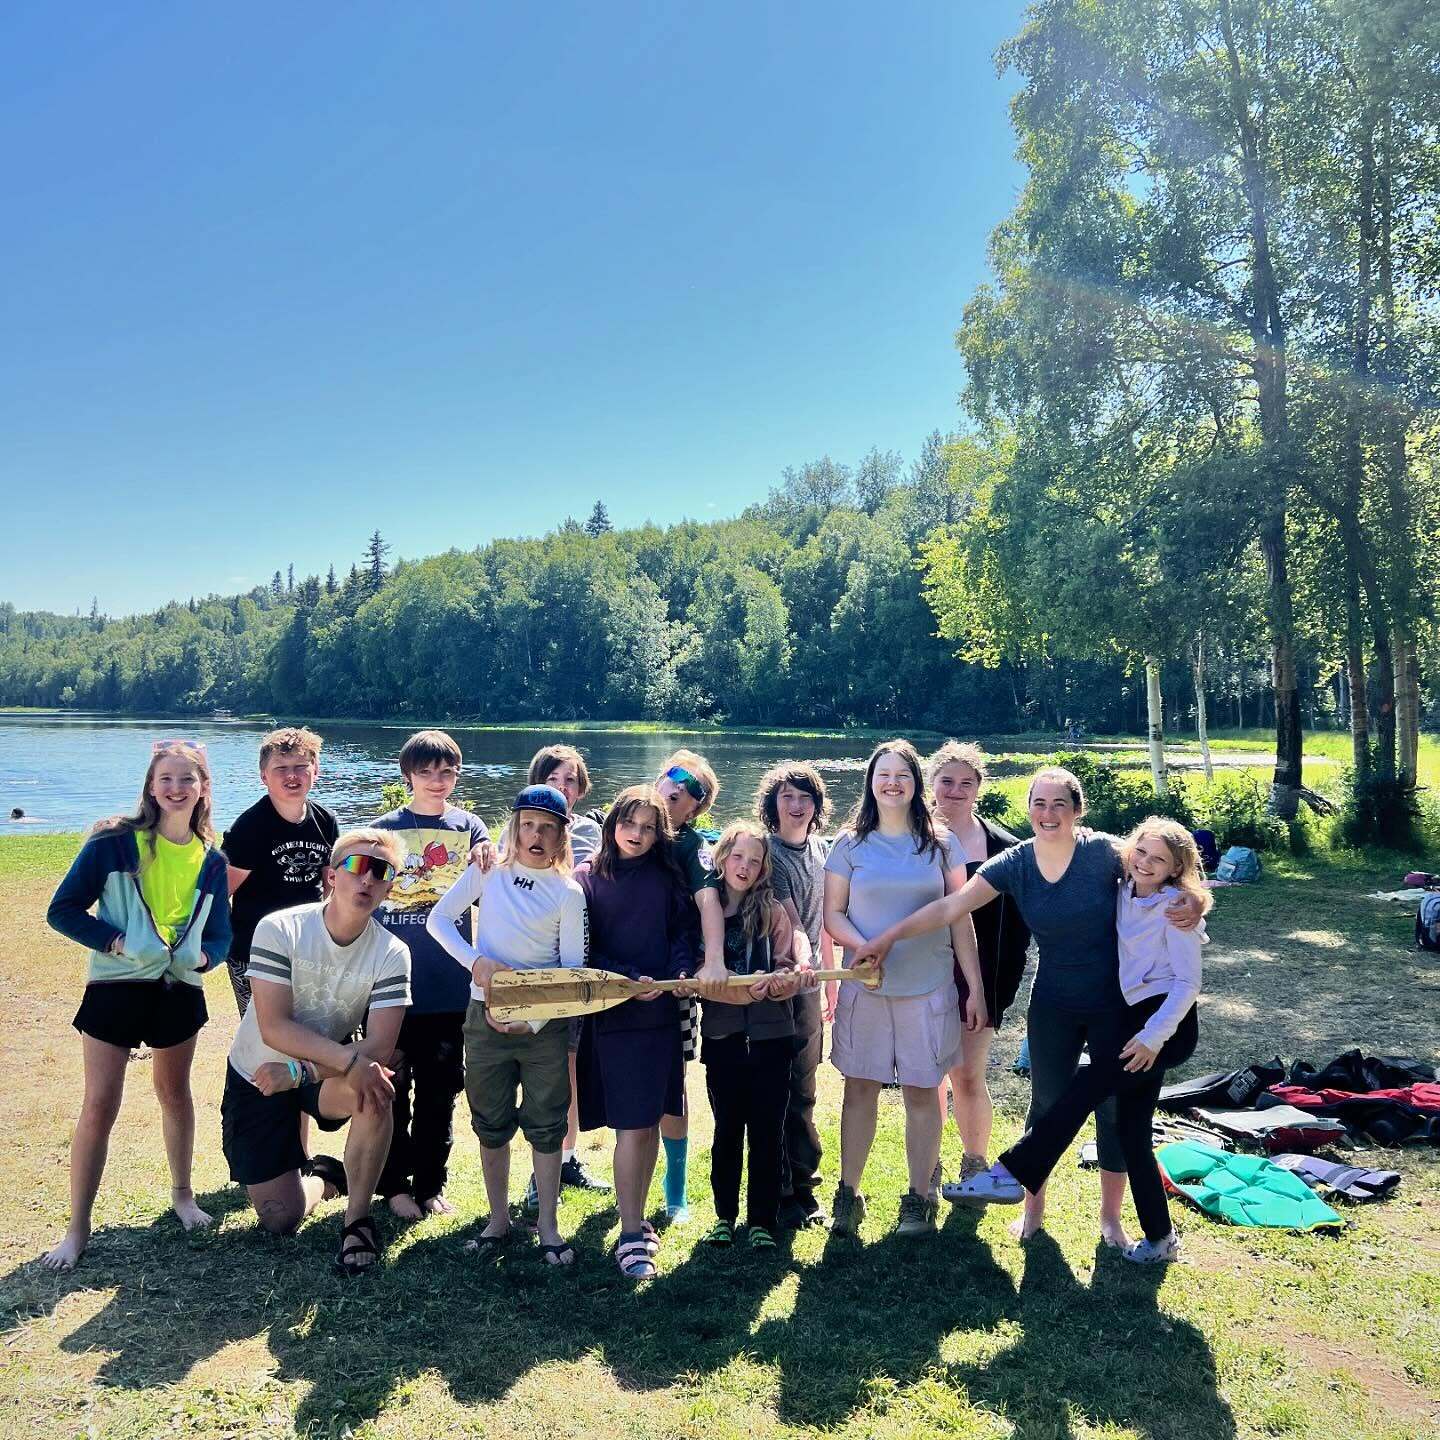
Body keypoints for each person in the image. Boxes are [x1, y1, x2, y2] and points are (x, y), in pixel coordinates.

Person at [854, 766, 1203, 1247]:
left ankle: (1111, 1220)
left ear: (1077, 811)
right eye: (1039, 803)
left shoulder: (1106, 853)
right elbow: (950, 908)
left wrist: (1195, 902)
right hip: (1054, 1003)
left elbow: (1164, 868)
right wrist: (888, 937)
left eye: (1060, 804)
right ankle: (1032, 1212)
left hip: (1114, 1006)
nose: (1048, 813)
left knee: (1113, 1110)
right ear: (1028, 808)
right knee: (1047, 1102)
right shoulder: (1016, 863)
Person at [955, 818, 1207, 1264]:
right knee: (1132, 1130)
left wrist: (1151, 1039)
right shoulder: (1123, 891)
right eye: (1142, 853)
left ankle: (1010, 1171)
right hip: (1135, 1022)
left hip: (1166, 1028)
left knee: (1086, 1086)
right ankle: (1161, 1238)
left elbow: (1188, 984)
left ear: (1174, 870)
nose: (1146, 863)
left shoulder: (1175, 909)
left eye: (1159, 860)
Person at [42, 741, 231, 1270]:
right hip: (115, 988)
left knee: (175, 1094)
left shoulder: (212, 860)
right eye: (166, 779)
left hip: (177, 991)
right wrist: (117, 943)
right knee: (100, 1104)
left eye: (187, 780)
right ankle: (76, 1229)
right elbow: (63, 910)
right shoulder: (112, 844)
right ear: (151, 786)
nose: (176, 789)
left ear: (202, 789)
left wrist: (206, 960)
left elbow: (221, 935)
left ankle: (183, 1196)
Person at [221, 829, 411, 1277]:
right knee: (279, 1218)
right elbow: (273, 1025)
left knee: (377, 1084)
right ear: (330, 876)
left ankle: (358, 1221)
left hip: (314, 1075)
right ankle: (326, 1178)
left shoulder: (392, 953)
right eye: (356, 867)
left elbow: (381, 1047)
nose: (366, 880)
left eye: (379, 872)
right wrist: (339, 1061)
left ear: (389, 888)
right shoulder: (280, 928)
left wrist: (302, 1072)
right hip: (257, 1074)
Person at [822, 740, 985, 1240]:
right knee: (860, 1091)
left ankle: (919, 1196)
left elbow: (959, 920)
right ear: (870, 782)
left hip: (929, 989)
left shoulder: (941, 845)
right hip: (865, 989)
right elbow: (832, 915)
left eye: (903, 776)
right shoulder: (848, 845)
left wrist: (974, 989)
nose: (892, 783)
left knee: (922, 1092)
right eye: (883, 774)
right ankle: (849, 1194)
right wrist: (865, 947)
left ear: (916, 785)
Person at [424, 784, 589, 1264]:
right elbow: (440, 919)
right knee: (490, 1122)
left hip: (544, 1031)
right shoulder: (487, 871)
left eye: (548, 829)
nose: (536, 836)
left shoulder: (568, 892)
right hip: (484, 1019)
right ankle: (498, 1220)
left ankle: (549, 1227)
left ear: (561, 837)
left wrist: (535, 1021)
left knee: (547, 1124)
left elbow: (573, 971)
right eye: (528, 825)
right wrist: (474, 962)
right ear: (514, 826)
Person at [574, 787, 696, 1278]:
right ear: (613, 824)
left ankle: (639, 1216)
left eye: (649, 828)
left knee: (649, 1123)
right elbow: (584, 950)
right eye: (630, 824)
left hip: (661, 1015)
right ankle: (628, 1234)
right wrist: (625, 979)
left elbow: (681, 934)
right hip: (615, 1017)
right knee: (629, 1124)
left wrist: (680, 971)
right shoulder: (587, 878)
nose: (638, 835)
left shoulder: (667, 877)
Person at [370, 730, 489, 1219]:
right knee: (391, 1089)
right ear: (408, 776)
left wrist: (490, 857)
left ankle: (430, 1185)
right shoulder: (385, 829)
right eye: (426, 772)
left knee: (440, 1093)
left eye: (447, 772)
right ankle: (394, 1186)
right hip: (391, 986)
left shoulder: (471, 829)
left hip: (448, 987)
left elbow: (491, 889)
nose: (437, 781)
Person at [924, 743, 1032, 1195]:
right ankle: (925, 1165)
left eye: (966, 783)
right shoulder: (909, 840)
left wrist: (990, 991)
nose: (955, 791)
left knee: (968, 1075)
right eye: (946, 781)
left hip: (980, 982)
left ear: (979, 789)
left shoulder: (1005, 848)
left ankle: (974, 1165)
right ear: (931, 784)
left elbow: (1019, 931)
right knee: (925, 1078)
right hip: (923, 976)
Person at [697, 821, 808, 1252]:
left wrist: (782, 981)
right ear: (722, 858)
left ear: (763, 869)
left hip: (771, 1037)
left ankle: (762, 1219)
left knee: (768, 1131)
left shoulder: (773, 911)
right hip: (724, 1038)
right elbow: (695, 969)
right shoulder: (706, 909)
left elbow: (788, 966)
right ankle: (724, 1216)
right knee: (727, 1129)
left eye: (754, 861)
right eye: (737, 857)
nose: (744, 866)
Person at [522, 743, 609, 1199]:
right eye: (553, 779)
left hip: (581, 963)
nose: (562, 788)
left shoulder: (595, 831)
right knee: (545, 1073)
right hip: (536, 965)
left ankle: (568, 1160)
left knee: (573, 1066)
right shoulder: (519, 830)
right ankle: (541, 1173)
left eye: (570, 780)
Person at [754, 762, 833, 1228]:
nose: (797, 805)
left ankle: (804, 1182)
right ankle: (781, 1191)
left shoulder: (822, 850)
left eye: (805, 797)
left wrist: (827, 979)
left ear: (816, 806)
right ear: (773, 804)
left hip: (810, 983)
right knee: (776, 1090)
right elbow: (791, 921)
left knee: (805, 1089)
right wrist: (804, 964)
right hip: (776, 984)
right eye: (787, 797)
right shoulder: (766, 853)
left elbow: (824, 918)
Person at [652, 748, 726, 1222]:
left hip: (675, 980)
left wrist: (712, 960)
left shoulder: (692, 846)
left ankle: (675, 1189)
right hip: (619, 976)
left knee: (672, 1083)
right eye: (674, 775)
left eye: (693, 788)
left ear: (697, 807)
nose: (679, 787)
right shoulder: (622, 821)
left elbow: (708, 900)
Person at [222, 726, 338, 1015]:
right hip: (254, 950)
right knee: (261, 1035)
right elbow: (221, 891)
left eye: (301, 766)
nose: (292, 776)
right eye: (281, 768)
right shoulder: (249, 827)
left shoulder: (326, 821)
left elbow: (330, 885)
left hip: (307, 948)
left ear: (316, 770)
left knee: (311, 1029)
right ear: (264, 776)